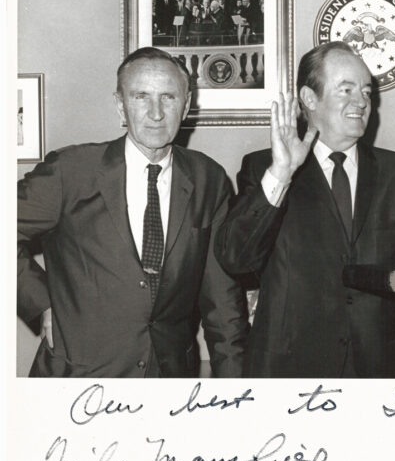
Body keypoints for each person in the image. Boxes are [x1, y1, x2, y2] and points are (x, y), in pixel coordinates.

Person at [17, 47, 248, 377]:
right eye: (141, 96)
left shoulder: (208, 178)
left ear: (186, 106)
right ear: (120, 105)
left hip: (170, 380)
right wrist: (41, 304)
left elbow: (222, 300)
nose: (156, 112)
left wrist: (233, 390)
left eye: (168, 97)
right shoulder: (71, 171)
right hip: (77, 375)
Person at [215, 41, 395, 378]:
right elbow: (237, 259)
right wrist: (281, 173)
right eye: (347, 90)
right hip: (289, 370)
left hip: (374, 370)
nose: (361, 103)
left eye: (367, 92)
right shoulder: (263, 168)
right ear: (310, 99)